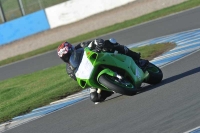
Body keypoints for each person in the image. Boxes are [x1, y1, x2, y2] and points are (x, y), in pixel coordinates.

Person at [57, 38, 149, 103]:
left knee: (111, 43)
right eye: (64, 57)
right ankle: (112, 87)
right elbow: (80, 78)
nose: (67, 58)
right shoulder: (69, 70)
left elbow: (93, 43)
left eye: (67, 54)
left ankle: (137, 59)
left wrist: (98, 43)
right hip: (91, 72)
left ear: (72, 49)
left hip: (101, 57)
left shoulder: (81, 46)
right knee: (95, 97)